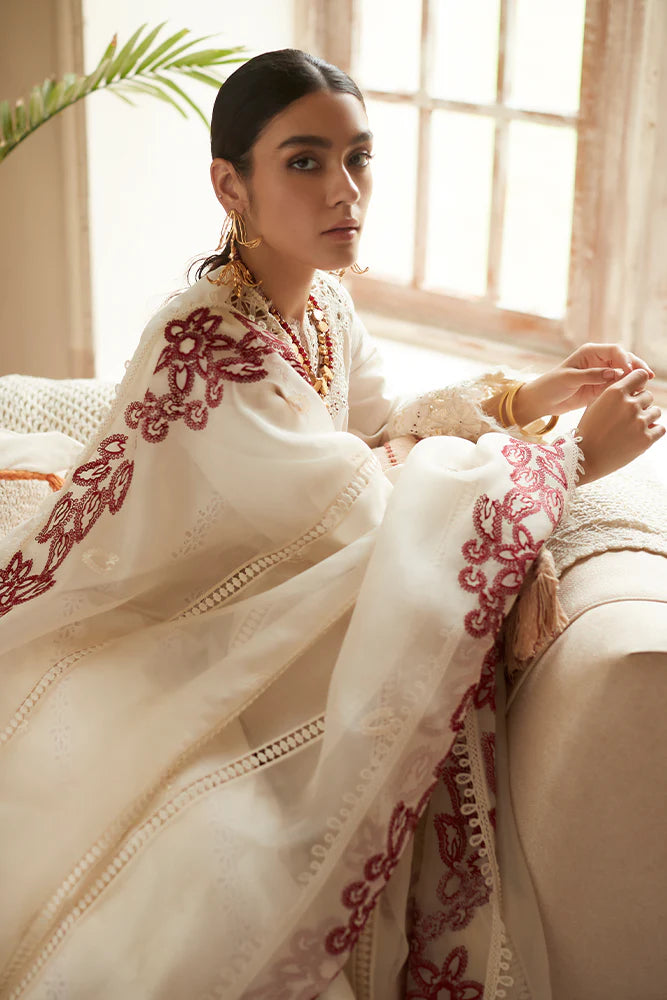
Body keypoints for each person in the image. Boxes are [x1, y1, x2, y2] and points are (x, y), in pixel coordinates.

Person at [0, 48, 663, 1000]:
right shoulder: (205, 342)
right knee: (213, 874)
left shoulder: (319, 304)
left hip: (271, 603)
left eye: (358, 157)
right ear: (230, 185)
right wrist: (571, 460)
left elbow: (380, 429)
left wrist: (529, 398)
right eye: (304, 162)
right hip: (178, 625)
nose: (345, 190)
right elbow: (361, 511)